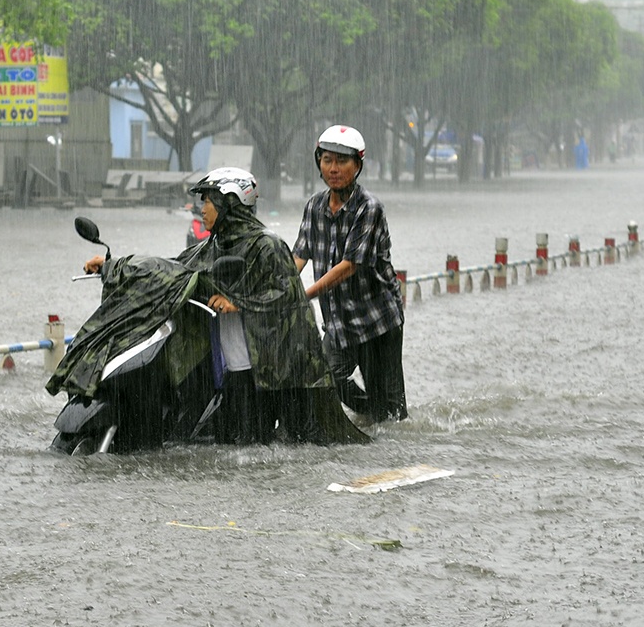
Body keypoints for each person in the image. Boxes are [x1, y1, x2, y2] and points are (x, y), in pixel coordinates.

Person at [67, 167, 364, 446]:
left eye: (208, 201)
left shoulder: (267, 246)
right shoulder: (215, 244)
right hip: (229, 369)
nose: (202, 209)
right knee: (225, 444)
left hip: (263, 374)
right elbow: (174, 269)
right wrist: (113, 266)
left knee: (256, 450)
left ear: (230, 204)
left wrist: (239, 302)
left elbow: (288, 297)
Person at [293, 125, 408, 423]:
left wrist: (304, 295)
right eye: (327, 160)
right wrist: (280, 288)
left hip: (376, 321)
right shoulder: (314, 206)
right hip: (339, 322)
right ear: (319, 163)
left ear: (357, 166)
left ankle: (385, 425)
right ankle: (368, 416)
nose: (334, 169)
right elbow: (299, 256)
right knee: (325, 378)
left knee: (391, 411)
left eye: (342, 161)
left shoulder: (369, 209)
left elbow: (349, 266)